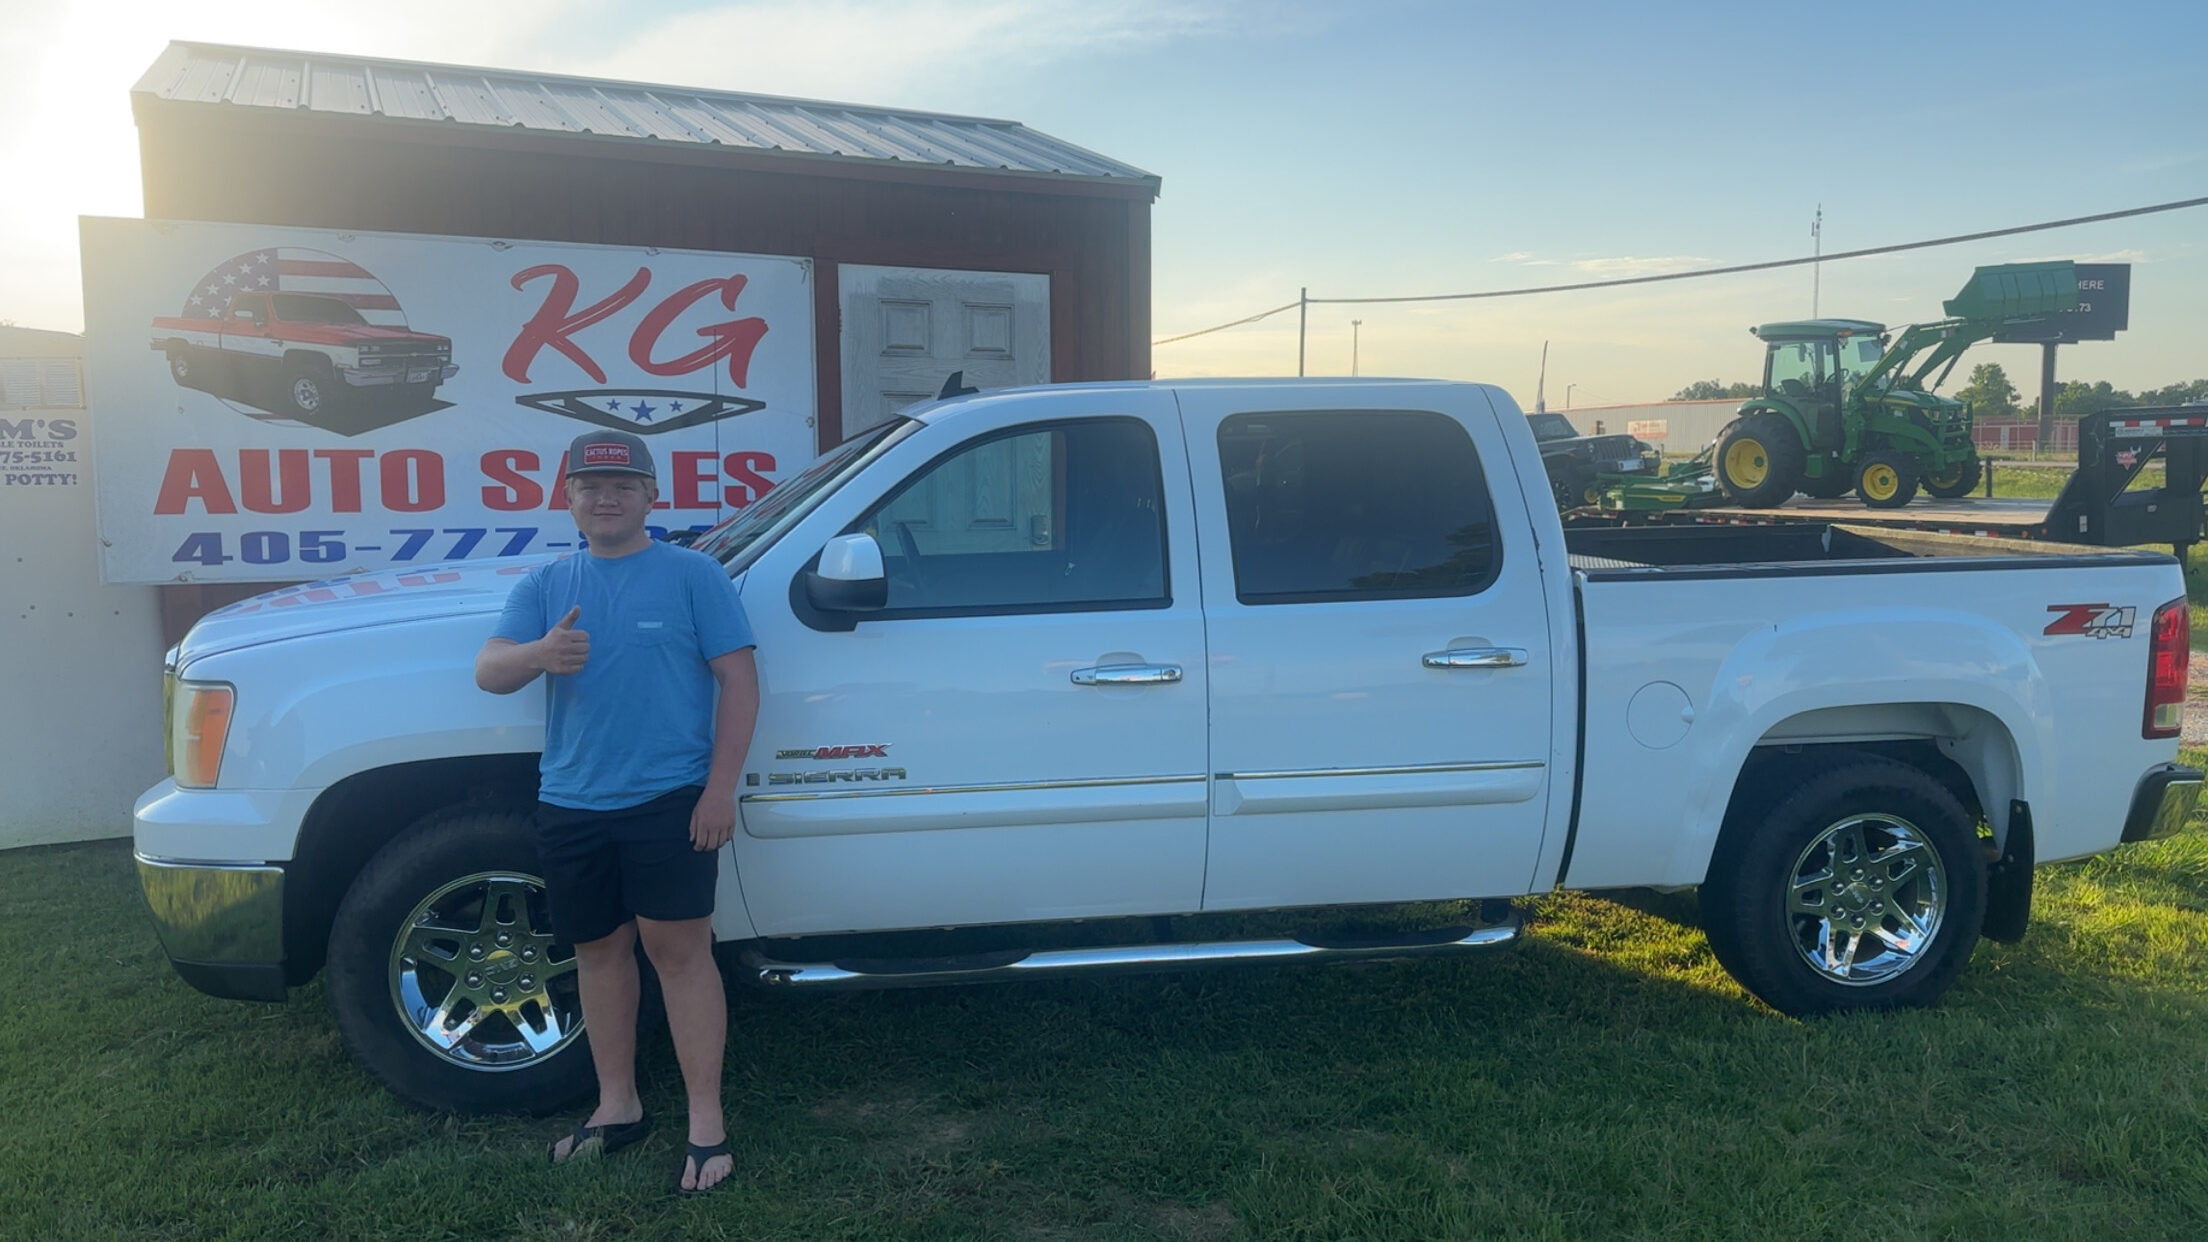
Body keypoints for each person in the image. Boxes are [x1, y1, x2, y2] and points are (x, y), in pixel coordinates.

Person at [474, 427, 758, 1196]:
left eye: (623, 485)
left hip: (670, 800)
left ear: (651, 496)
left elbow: (739, 681)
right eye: (591, 486)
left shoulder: (694, 575)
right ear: (567, 498)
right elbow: (489, 670)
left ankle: (706, 1124)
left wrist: (719, 789)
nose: (607, 498)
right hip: (571, 803)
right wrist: (537, 655)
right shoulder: (546, 585)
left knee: (680, 953)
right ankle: (617, 1107)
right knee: (598, 953)